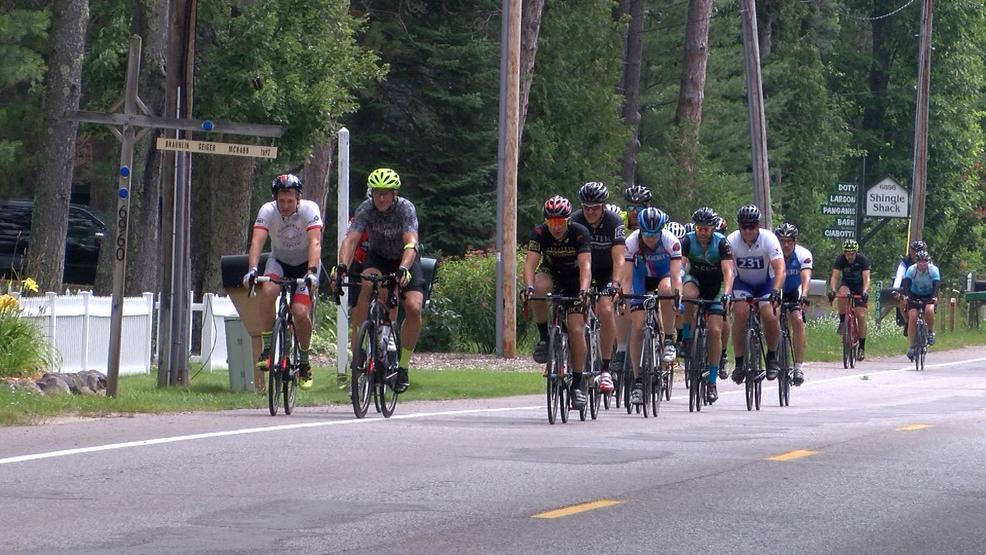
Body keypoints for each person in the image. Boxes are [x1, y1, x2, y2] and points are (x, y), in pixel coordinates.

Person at [335, 168, 425, 393]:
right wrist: (342, 266)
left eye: (385, 193)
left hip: (405, 257)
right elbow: (350, 240)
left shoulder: (405, 209)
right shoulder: (366, 209)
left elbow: (411, 241)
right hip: (378, 257)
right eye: (377, 193)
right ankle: (362, 348)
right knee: (368, 283)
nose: (381, 198)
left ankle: (403, 366)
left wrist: (404, 267)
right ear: (371, 193)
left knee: (414, 308)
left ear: (394, 194)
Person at [243, 173, 323, 390]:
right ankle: (268, 349)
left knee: (299, 312)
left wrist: (312, 272)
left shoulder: (310, 210)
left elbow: (315, 242)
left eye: (290, 201)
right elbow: (257, 242)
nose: (286, 205)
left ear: (298, 199)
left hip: (306, 264)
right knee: (268, 291)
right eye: (281, 201)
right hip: (278, 261)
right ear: (275, 199)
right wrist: (251, 270)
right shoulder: (267, 211)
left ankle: (304, 361)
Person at [523, 195, 593, 408]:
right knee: (538, 287)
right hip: (551, 273)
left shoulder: (579, 233)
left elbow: (586, 267)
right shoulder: (539, 233)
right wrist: (528, 287)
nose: (556, 227)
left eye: (560, 222)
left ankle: (578, 384)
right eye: (551, 222)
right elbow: (530, 265)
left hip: (574, 279)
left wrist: (583, 290)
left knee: (575, 329)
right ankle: (545, 338)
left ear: (568, 220)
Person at [620, 207, 683, 406]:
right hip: (641, 278)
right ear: (640, 230)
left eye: (654, 234)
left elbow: (675, 277)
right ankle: (638, 382)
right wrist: (623, 297)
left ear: (661, 231)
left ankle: (669, 339)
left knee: (667, 290)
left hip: (664, 276)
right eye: (646, 233)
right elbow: (627, 277)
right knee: (638, 327)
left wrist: (677, 296)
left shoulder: (671, 242)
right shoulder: (631, 242)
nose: (650, 238)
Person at [571, 182, 625, 394]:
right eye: (586, 207)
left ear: (603, 206)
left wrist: (616, 283)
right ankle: (564, 353)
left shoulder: (614, 221)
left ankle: (605, 370)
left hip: (605, 272)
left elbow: (620, 258)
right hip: (579, 272)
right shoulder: (575, 220)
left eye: (595, 207)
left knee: (604, 309)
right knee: (571, 309)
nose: (591, 212)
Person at [679, 206, 734, 403]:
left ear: (713, 229)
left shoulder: (722, 243)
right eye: (699, 228)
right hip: (695, 280)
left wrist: (727, 294)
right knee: (688, 295)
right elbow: (680, 265)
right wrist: (677, 284)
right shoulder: (687, 240)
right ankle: (686, 337)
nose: (702, 232)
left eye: (706, 229)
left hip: (716, 287)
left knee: (714, 331)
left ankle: (711, 381)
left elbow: (728, 272)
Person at [726, 204, 785, 384]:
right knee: (740, 313)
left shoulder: (769, 239)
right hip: (742, 282)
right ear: (739, 226)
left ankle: (772, 355)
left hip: (767, 282)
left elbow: (780, 268)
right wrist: (727, 293)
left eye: (752, 226)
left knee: (769, 314)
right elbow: (728, 269)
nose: (748, 231)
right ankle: (739, 362)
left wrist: (775, 291)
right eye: (744, 227)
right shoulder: (731, 240)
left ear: (758, 225)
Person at [612, 184, 654, 373]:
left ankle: (657, 340)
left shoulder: (654, 220)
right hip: (625, 267)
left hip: (649, 269)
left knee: (656, 304)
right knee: (621, 297)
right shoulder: (618, 221)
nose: (634, 212)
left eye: (639, 208)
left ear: (647, 207)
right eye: (630, 207)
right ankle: (621, 348)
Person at [772, 222, 812, 385]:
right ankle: (773, 356)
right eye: (782, 241)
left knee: (797, 320)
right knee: (771, 316)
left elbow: (806, 277)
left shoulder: (803, 254)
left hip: (794, 291)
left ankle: (797, 367)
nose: (785, 244)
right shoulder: (772, 254)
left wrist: (804, 295)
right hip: (777, 290)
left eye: (789, 241)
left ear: (795, 241)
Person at [827, 238, 871, 360]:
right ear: (844, 253)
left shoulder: (862, 260)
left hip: (859, 287)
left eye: (852, 254)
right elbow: (835, 277)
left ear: (856, 252)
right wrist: (832, 290)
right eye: (847, 254)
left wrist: (865, 291)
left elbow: (867, 278)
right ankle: (842, 321)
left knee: (861, 316)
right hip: (847, 284)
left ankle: (861, 347)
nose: (850, 256)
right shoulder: (840, 259)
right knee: (842, 294)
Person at [902, 250, 940, 361]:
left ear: (928, 262)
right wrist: (908, 297)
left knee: (929, 310)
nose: (922, 264)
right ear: (916, 262)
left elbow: (936, 285)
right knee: (913, 317)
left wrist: (933, 298)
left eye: (925, 262)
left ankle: (930, 332)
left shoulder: (933, 270)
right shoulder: (911, 270)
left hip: (929, 294)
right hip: (914, 294)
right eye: (920, 261)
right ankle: (911, 347)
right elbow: (906, 285)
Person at [892, 240, 928, 334]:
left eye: (918, 251)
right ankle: (907, 321)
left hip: (924, 287)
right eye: (913, 251)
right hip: (908, 287)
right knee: (902, 300)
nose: (914, 254)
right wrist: (896, 289)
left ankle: (928, 329)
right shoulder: (905, 262)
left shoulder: (927, 261)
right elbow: (899, 276)